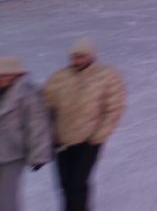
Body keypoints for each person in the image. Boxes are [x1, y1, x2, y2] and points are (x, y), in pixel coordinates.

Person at [40, 40, 122, 211]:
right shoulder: (59, 77)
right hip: (61, 141)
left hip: (88, 141)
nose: (76, 60)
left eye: (81, 56)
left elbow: (114, 108)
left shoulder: (106, 75)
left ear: (91, 56)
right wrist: (49, 135)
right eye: (73, 56)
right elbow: (44, 106)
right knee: (65, 185)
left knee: (77, 183)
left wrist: (98, 136)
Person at [0, 57, 52, 211]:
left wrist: (39, 155)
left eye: (6, 75)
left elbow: (37, 124)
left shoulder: (28, 93)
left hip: (14, 153)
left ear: (17, 74)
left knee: (6, 198)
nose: (2, 78)